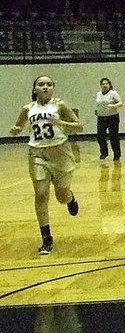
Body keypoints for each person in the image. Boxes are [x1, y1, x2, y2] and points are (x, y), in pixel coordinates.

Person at [9, 75, 83, 255]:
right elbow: (19, 126)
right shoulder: (28, 108)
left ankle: (70, 198)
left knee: (61, 196)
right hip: (37, 153)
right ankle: (47, 238)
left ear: (53, 88)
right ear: (34, 89)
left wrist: (60, 123)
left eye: (49, 85)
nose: (45, 87)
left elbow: (79, 126)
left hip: (60, 153)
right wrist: (16, 130)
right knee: (41, 195)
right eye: (41, 85)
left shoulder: (60, 105)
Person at [94, 77, 123, 161]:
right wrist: (97, 110)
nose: (105, 85)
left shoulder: (113, 93)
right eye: (103, 84)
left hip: (112, 117)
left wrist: (114, 106)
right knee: (100, 135)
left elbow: (120, 103)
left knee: (113, 136)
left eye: (106, 84)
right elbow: (98, 104)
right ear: (100, 85)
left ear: (109, 85)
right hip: (101, 117)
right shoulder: (98, 94)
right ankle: (104, 152)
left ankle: (117, 154)